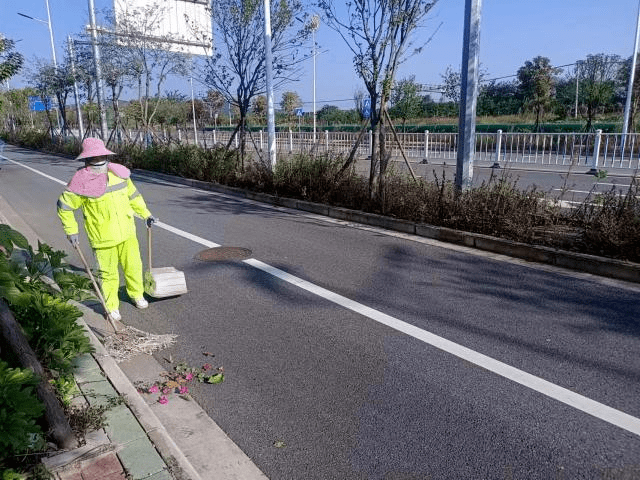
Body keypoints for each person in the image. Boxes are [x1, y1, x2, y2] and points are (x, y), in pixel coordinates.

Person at [57, 137, 157, 322]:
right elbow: (64, 207)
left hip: (127, 233)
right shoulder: (80, 182)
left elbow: (134, 196)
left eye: (100, 155)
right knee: (107, 274)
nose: (98, 160)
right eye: (94, 157)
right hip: (102, 238)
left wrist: (146, 214)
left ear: (105, 154)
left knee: (134, 266)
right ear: (86, 159)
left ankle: (136, 294)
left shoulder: (118, 174)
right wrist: (72, 231)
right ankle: (111, 306)